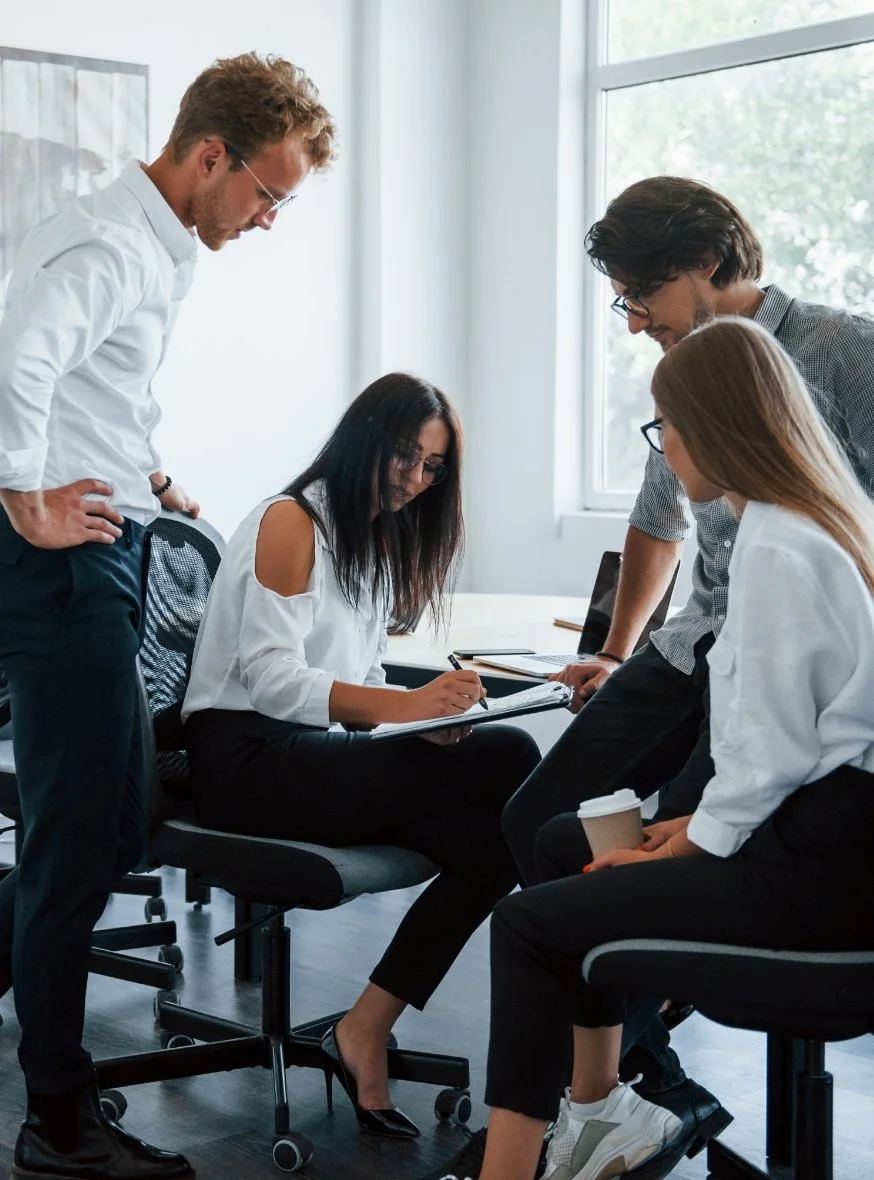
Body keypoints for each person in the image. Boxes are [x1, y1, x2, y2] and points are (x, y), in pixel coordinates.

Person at [427, 315, 874, 1180]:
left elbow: (774, 749)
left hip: (819, 870)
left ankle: (516, 1167)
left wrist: (697, 839)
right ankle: (601, 1114)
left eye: (664, 426)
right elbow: (789, 747)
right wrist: (691, 827)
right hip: (820, 834)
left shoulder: (781, 547)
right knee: (564, 841)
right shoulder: (814, 522)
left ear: (714, 424)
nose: (663, 449)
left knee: (525, 925)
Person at [0, 53, 335, 1180]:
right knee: (81, 833)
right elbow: (17, 362)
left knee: (111, 814)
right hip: (60, 567)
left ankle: (52, 1087)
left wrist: (151, 480)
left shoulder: (156, 243)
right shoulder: (107, 242)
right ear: (210, 157)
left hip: (109, 533)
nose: (270, 217)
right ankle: (57, 1118)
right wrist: (21, 495)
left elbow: (102, 387)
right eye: (267, 192)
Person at [181, 372, 542, 1141]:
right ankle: (582, 996)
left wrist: (414, 731)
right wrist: (406, 709)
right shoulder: (291, 521)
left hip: (315, 753)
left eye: (433, 467)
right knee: (510, 753)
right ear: (364, 443)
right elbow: (275, 685)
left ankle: (366, 1026)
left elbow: (363, 677)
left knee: (491, 837)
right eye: (404, 458)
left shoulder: (372, 535)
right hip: (245, 761)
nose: (416, 480)